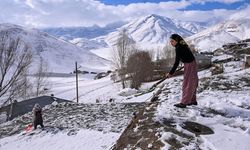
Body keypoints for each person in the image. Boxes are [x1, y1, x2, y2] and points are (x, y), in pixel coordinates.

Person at [166, 34, 198, 108]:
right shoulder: (182, 45)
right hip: (190, 64)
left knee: (188, 84)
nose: (171, 43)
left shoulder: (179, 48)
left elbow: (176, 62)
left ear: (177, 41)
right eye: (170, 41)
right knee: (191, 82)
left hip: (190, 65)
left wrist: (171, 73)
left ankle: (184, 103)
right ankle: (192, 101)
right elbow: (186, 56)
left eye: (172, 41)